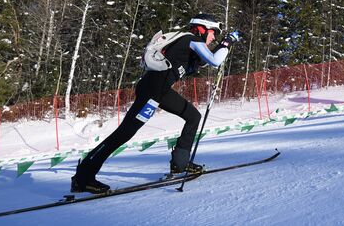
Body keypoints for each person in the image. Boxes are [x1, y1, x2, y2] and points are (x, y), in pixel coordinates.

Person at [71, 13, 240, 194]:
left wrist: (221, 48)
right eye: (213, 32)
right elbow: (215, 60)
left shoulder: (190, 48)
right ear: (202, 28)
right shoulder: (191, 39)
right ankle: (83, 177)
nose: (214, 37)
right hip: (153, 89)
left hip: (160, 90)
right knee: (124, 133)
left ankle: (180, 164)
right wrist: (227, 42)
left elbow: (207, 60)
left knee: (193, 116)